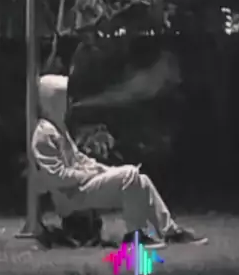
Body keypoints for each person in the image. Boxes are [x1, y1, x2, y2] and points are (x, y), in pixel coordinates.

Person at [32, 74, 208, 248]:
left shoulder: (59, 128)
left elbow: (79, 159)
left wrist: (102, 169)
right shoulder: (44, 134)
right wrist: (89, 173)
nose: (68, 102)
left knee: (142, 180)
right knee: (130, 174)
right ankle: (135, 236)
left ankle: (170, 231)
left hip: (81, 186)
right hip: (71, 195)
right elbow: (57, 177)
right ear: (52, 99)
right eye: (63, 97)